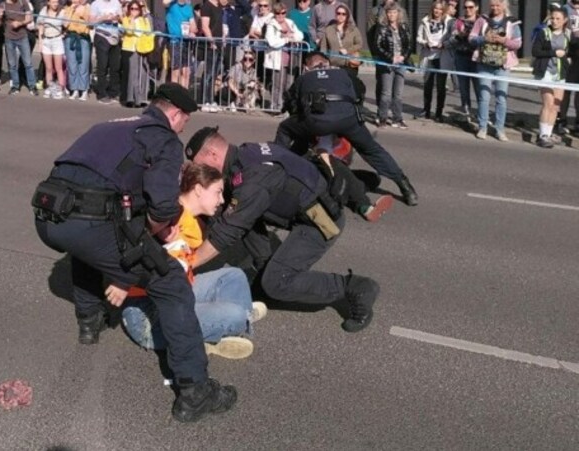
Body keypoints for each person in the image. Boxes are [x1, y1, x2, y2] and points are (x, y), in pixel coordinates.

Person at [32, 83, 237, 423]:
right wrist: (152, 235)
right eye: (184, 122)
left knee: (88, 251)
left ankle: (89, 323)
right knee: (171, 283)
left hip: (48, 217)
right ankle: (194, 392)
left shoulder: (108, 126)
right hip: (90, 222)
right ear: (175, 115)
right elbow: (162, 204)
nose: (182, 130)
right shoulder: (164, 139)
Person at [185, 127, 381, 333]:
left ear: (213, 154)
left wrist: (188, 264)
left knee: (276, 282)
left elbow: (227, 232)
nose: (200, 172)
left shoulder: (254, 176)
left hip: (320, 223)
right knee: (236, 213)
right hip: (303, 211)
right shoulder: (244, 155)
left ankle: (355, 287)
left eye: (199, 164)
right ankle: (263, 268)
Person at [109, 163, 268, 359]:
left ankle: (224, 329)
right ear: (199, 189)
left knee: (233, 276)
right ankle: (233, 323)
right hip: (149, 316)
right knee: (234, 314)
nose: (222, 200)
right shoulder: (167, 217)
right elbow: (150, 267)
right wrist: (173, 247)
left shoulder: (189, 218)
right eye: (218, 192)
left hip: (180, 293)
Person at [275, 51, 419, 206]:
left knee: (286, 128)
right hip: (347, 119)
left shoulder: (304, 78)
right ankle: (406, 187)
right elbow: (359, 93)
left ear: (306, 67)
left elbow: (291, 105)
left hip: (317, 122)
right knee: (372, 150)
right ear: (328, 64)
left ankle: (275, 168)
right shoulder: (344, 74)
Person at [469, 0, 521, 141]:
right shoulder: (482, 20)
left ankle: (499, 129)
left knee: (501, 99)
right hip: (484, 64)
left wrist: (504, 41)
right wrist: (484, 38)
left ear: (504, 6)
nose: (495, 8)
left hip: (502, 66)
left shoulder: (512, 22)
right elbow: (471, 38)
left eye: (498, 5)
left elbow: (517, 43)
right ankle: (482, 127)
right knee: (484, 97)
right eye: (492, 5)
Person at [531, 7, 568, 149]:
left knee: (556, 106)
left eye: (558, 19)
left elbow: (571, 51)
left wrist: (568, 58)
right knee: (548, 103)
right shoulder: (543, 33)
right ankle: (542, 135)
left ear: (564, 20)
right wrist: (554, 53)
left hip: (560, 74)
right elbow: (535, 51)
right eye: (553, 18)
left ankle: (548, 132)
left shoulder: (568, 35)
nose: (555, 21)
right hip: (545, 72)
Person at [374, 2, 413, 129]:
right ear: (386, 14)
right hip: (387, 64)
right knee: (386, 93)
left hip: (401, 64)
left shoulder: (404, 27)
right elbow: (378, 46)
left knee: (398, 93)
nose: (392, 15)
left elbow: (409, 45)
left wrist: (403, 57)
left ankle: (397, 118)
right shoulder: (382, 27)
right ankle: (382, 117)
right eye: (389, 12)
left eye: (394, 12)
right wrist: (391, 58)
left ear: (398, 14)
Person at [416, 1, 451, 122]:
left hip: (441, 57)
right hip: (428, 56)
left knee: (441, 87)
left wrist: (443, 44)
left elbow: (452, 38)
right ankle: (426, 109)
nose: (437, 11)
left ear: (443, 11)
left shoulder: (448, 21)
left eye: (440, 9)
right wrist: (425, 43)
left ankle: (439, 112)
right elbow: (418, 37)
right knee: (428, 85)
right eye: (436, 9)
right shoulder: (425, 21)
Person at [264, 1, 302, 111]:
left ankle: (287, 107)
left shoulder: (290, 22)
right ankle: (276, 106)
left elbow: (300, 35)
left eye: (283, 13)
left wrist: (292, 36)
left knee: (289, 84)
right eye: (278, 13)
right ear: (274, 13)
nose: (281, 15)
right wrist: (286, 39)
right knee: (278, 84)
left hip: (292, 57)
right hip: (278, 58)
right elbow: (272, 41)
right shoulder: (271, 25)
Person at [0, 0, 37, 95]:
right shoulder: (3, 5)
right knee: (12, 64)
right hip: (9, 38)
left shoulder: (23, 3)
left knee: (28, 63)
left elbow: (30, 18)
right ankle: (15, 86)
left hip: (22, 36)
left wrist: (20, 23)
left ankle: (32, 86)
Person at [448, 0, 480, 118]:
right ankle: (467, 112)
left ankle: (481, 113)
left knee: (479, 87)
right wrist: (459, 36)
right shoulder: (458, 22)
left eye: (471, 7)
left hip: (477, 58)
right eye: (465, 7)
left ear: (476, 7)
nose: (468, 10)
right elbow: (451, 41)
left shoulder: (481, 21)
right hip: (461, 57)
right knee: (463, 87)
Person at [89, 0, 122, 103]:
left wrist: (116, 17)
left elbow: (121, 18)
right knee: (102, 66)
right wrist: (102, 18)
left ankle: (113, 93)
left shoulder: (116, 2)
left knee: (115, 66)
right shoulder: (96, 4)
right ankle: (102, 94)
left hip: (115, 36)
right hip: (101, 36)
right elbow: (90, 23)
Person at [318, 3, 361, 79]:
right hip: (333, 65)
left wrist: (348, 50)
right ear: (335, 15)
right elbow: (323, 48)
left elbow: (359, 44)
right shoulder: (329, 29)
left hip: (348, 64)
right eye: (338, 13)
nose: (341, 16)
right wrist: (324, 61)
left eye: (343, 14)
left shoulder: (353, 29)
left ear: (347, 16)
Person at [557, 0, 579, 135]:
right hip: (569, 53)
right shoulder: (564, 8)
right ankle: (562, 120)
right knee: (565, 90)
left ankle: (578, 123)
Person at [37, 0, 66, 98]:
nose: (55, 4)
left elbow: (66, 25)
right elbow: (40, 26)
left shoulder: (62, 12)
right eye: (53, 2)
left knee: (59, 68)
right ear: (48, 3)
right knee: (49, 68)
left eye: (57, 2)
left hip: (57, 40)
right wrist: (40, 42)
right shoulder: (43, 11)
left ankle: (60, 89)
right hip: (46, 41)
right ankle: (50, 87)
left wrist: (64, 33)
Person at [164, 0, 195, 88]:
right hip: (174, 41)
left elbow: (193, 25)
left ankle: (184, 95)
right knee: (176, 71)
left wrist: (192, 31)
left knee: (186, 72)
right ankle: (174, 95)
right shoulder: (172, 5)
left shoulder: (189, 8)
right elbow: (164, 2)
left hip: (186, 42)